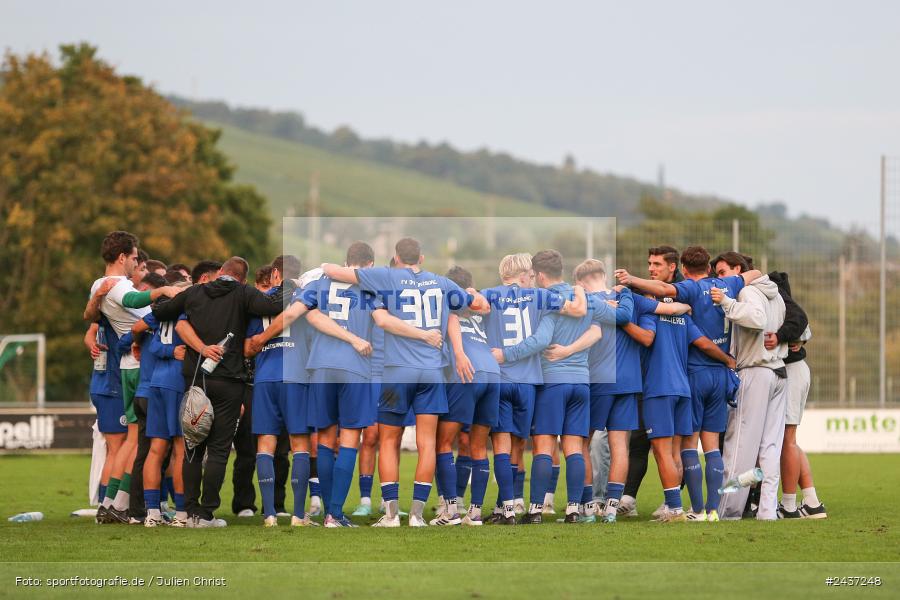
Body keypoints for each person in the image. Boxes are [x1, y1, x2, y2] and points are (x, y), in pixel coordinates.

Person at [322, 237, 490, 527]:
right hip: (432, 372)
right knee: (427, 443)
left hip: (396, 371)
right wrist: (472, 294)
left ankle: (390, 515)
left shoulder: (386, 276)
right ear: (421, 258)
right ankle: (416, 515)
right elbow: (479, 305)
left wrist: (325, 266)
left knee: (388, 441)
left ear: (396, 257)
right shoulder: (440, 282)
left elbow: (336, 273)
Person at [618, 246, 756, 521]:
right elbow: (755, 274)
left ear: (680, 267)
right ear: (709, 267)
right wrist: (728, 360)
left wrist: (629, 282)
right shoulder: (722, 286)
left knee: (678, 448)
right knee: (711, 446)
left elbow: (661, 320)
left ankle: (686, 508)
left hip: (686, 378)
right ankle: (712, 510)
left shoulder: (683, 293)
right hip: (711, 378)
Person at [154, 256, 285, 527]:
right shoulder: (244, 293)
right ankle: (206, 513)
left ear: (220, 273)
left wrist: (166, 294)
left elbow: (161, 312)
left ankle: (188, 510)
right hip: (230, 381)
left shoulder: (194, 292)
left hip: (196, 378)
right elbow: (273, 304)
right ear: (242, 278)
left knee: (193, 445)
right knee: (218, 450)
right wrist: (287, 283)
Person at [495, 249, 615, 524]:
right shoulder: (582, 297)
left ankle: (536, 510)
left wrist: (506, 355)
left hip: (553, 383)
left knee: (544, 447)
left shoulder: (548, 301)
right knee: (573, 447)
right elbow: (598, 329)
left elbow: (540, 341)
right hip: (581, 383)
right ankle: (574, 509)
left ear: (538, 275)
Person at [479, 253, 586, 524]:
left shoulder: (489, 294)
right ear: (523, 274)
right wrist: (581, 291)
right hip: (529, 382)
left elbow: (468, 305)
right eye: (529, 274)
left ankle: (508, 509)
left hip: (501, 378)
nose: (532, 278)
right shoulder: (539, 297)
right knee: (519, 447)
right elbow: (577, 310)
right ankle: (552, 505)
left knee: (501, 447)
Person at [83, 232, 181, 523]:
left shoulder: (99, 285)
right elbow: (134, 297)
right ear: (122, 257)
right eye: (136, 257)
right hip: (142, 364)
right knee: (144, 441)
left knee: (131, 440)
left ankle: (111, 502)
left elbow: (91, 315)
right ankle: (121, 504)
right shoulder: (117, 284)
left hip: (127, 362)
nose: (138, 263)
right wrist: (162, 292)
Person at [710, 254, 788, 521]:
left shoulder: (746, 291)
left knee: (738, 447)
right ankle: (767, 510)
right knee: (770, 447)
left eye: (722, 272)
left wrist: (727, 302)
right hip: (778, 372)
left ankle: (726, 510)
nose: (720, 279)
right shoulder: (774, 294)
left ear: (738, 269)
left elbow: (755, 319)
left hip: (755, 371)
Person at [431, 266, 501, 526]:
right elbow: (486, 305)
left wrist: (458, 354)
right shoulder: (480, 308)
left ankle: (450, 511)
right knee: (479, 446)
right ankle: (475, 512)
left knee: (443, 442)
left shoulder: (446, 307)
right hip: (493, 374)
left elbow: (449, 318)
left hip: (467, 372)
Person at [764, 271, 826, 519]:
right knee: (788, 440)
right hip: (796, 371)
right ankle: (811, 501)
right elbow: (805, 332)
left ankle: (789, 506)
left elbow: (801, 329)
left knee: (786, 440)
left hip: (790, 371)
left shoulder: (786, 312)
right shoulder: (790, 311)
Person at [141, 278, 191, 527]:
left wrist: (168, 351)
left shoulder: (161, 313)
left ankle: (152, 513)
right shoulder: (188, 311)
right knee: (180, 450)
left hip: (156, 382)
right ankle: (182, 514)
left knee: (156, 450)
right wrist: (175, 352)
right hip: (176, 382)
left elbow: (154, 345)